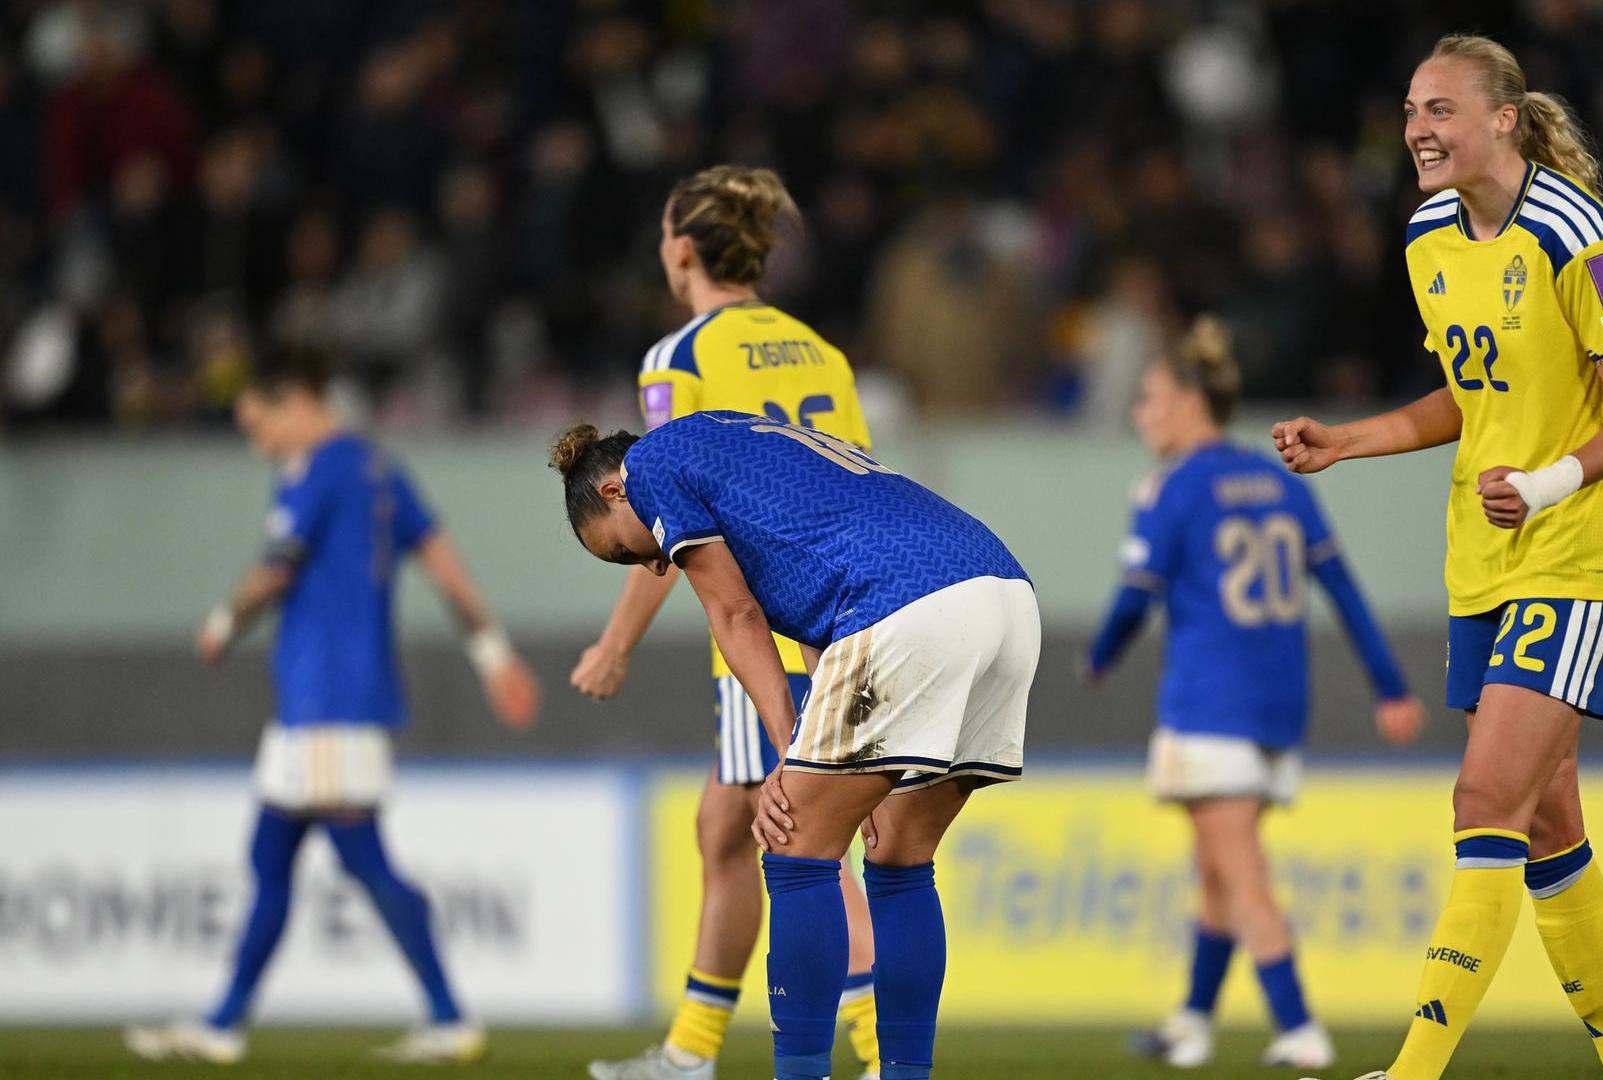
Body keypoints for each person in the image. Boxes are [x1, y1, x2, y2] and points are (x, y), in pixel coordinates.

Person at [1282, 34, 1603, 1080]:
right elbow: (1472, 391)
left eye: (1439, 109)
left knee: (1484, 802)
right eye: (1412, 109)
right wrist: (1351, 440)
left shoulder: (1577, 235)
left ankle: (1415, 1069)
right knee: (1545, 825)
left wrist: (1547, 484)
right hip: (1482, 561)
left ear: (1503, 119)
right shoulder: (1426, 235)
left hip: (1575, 556)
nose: (1416, 129)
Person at [549, 413, 1038, 1080]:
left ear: (613, 491)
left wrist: (789, 752)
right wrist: (829, 753)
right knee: (900, 858)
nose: (654, 563)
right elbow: (821, 622)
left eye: (623, 553)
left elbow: (736, 614)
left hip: (905, 601)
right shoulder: (738, 438)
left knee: (792, 845)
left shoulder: (651, 465)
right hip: (1004, 596)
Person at [126, 346, 540, 1065]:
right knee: (271, 854)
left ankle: (448, 1016)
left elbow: (276, 571)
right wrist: (493, 654)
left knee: (363, 860)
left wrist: (222, 624)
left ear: (296, 404)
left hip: (326, 697)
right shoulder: (382, 468)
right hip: (330, 699)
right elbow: (447, 570)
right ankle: (222, 1024)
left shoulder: (315, 470)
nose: (259, 445)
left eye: (259, 426)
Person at [568, 166, 882, 1080]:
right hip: (838, 609)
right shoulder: (821, 351)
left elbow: (665, 514)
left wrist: (615, 643)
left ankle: (873, 1050)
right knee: (724, 826)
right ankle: (691, 1050)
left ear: (679, 250)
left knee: (801, 839)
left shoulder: (679, 358)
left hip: (760, 632)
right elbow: (856, 480)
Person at [1087, 316, 1426, 1071]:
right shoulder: (1277, 482)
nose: (1141, 416)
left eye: (1150, 399)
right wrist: (1390, 685)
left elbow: (1134, 597)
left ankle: (1299, 1027)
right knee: (1218, 868)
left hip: (1210, 704)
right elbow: (1342, 587)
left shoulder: (1173, 487)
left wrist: (1099, 658)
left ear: (1188, 402)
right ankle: (1191, 1023)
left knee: (1239, 873)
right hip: (1278, 705)